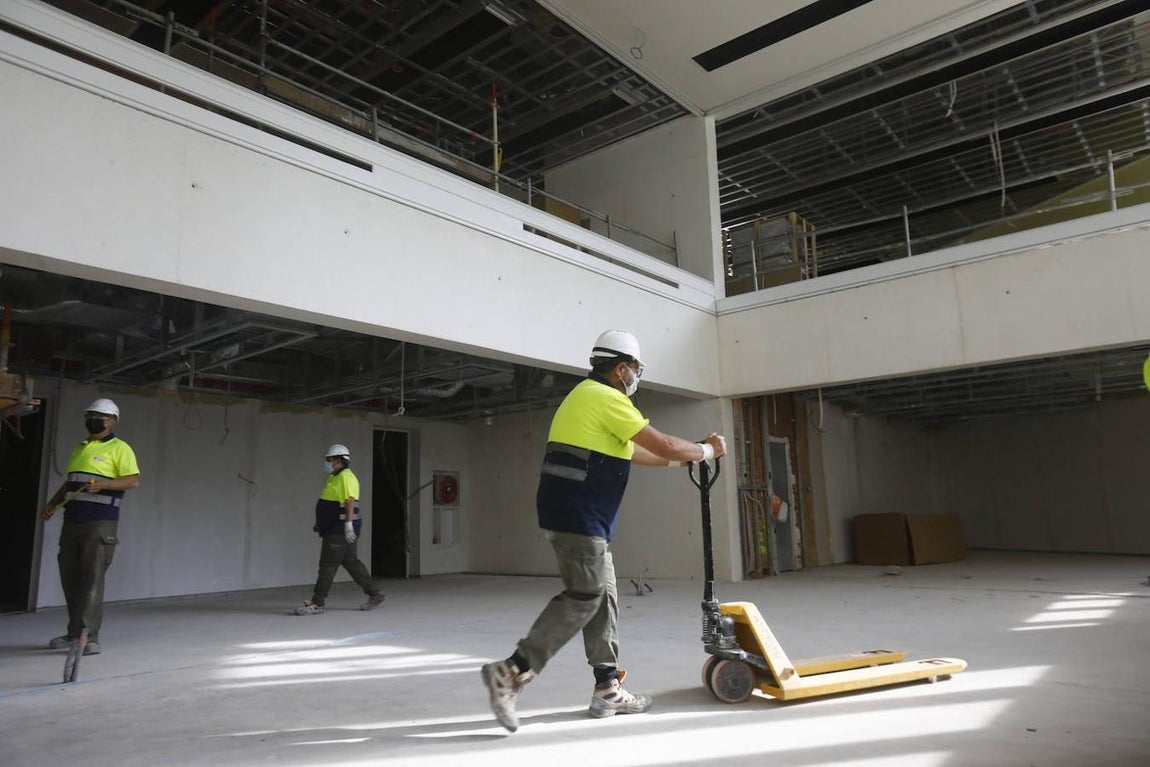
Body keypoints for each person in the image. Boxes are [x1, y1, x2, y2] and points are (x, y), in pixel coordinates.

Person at [480, 329, 727, 732]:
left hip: (579, 516)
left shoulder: (586, 397)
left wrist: (681, 461)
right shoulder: (606, 398)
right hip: (578, 517)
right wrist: (707, 451)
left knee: (604, 595)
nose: (637, 376)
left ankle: (606, 686)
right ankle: (511, 671)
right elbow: (662, 442)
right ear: (621, 368)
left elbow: (635, 451)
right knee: (585, 595)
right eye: (636, 369)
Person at [41, 398, 141, 656]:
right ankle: (74, 632)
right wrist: (53, 504)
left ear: (112, 421)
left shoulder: (120, 448)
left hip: (100, 522)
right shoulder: (81, 447)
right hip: (72, 520)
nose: (93, 419)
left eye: (99, 415)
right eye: (90, 415)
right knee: (71, 578)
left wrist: (104, 485)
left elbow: (132, 481)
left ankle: (89, 637)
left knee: (92, 580)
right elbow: (71, 482)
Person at [294, 444, 385, 615]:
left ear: (340, 460)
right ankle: (376, 593)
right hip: (335, 526)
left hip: (340, 529)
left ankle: (317, 602)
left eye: (330, 460)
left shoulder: (346, 477)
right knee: (351, 562)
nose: (327, 463)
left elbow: (349, 501)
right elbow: (330, 502)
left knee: (328, 564)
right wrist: (321, 522)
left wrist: (348, 525)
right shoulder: (334, 477)